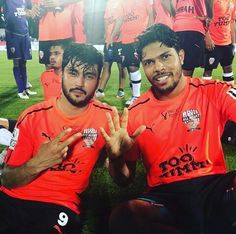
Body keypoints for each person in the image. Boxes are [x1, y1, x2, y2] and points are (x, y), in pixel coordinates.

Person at [100, 24, 236, 234]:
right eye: (149, 62)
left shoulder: (213, 91)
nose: (158, 68)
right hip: (165, 198)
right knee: (123, 216)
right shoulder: (135, 112)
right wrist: (117, 159)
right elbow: (124, 180)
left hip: (214, 187)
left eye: (165, 57)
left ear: (181, 56)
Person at [0, 43, 113, 234]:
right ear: (61, 74)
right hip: (11, 199)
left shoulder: (108, 119)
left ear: (99, 79)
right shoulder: (32, 117)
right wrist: (38, 162)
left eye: (89, 75)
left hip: (59, 205)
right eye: (73, 73)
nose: (80, 83)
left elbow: (122, 176)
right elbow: (7, 179)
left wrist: (116, 156)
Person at [110, 0, 154, 106]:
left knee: (140, 66)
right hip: (126, 40)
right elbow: (120, 20)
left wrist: (148, 33)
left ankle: (138, 96)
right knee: (131, 68)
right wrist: (111, 37)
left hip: (140, 38)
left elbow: (151, 15)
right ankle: (136, 95)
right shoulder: (122, 3)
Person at [3, 0, 38, 99]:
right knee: (17, 62)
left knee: (24, 61)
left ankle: (25, 88)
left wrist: (30, 12)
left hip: (24, 32)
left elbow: (29, 10)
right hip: (13, 32)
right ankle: (20, 90)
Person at [95, 0, 127, 99]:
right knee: (106, 64)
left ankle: (121, 90)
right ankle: (100, 90)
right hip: (109, 40)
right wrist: (107, 36)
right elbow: (106, 20)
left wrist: (112, 37)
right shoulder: (109, 3)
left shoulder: (122, 3)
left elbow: (120, 20)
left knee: (121, 66)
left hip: (120, 40)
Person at [173, 0, 213, 77]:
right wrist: (210, 16)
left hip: (177, 28)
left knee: (178, 67)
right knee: (187, 72)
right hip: (193, 28)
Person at [203, 0, 236, 84]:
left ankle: (229, 93)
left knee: (228, 68)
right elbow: (205, 20)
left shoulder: (233, 1)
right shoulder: (211, 1)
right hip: (213, 43)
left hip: (227, 43)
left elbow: (232, 22)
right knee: (208, 70)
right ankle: (207, 94)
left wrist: (234, 43)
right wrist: (208, 38)